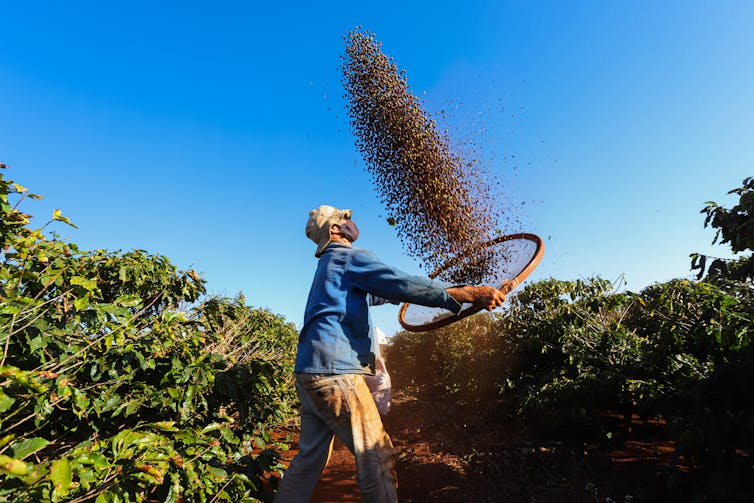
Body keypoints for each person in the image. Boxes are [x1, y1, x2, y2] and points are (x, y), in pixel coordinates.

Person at [273, 205, 506, 503]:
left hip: (309, 372)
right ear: (334, 229)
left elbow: (382, 291)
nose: (350, 223)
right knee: (377, 454)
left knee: (308, 461)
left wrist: (430, 294)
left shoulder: (328, 266)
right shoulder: (348, 256)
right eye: (344, 220)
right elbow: (402, 283)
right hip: (336, 373)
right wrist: (470, 293)